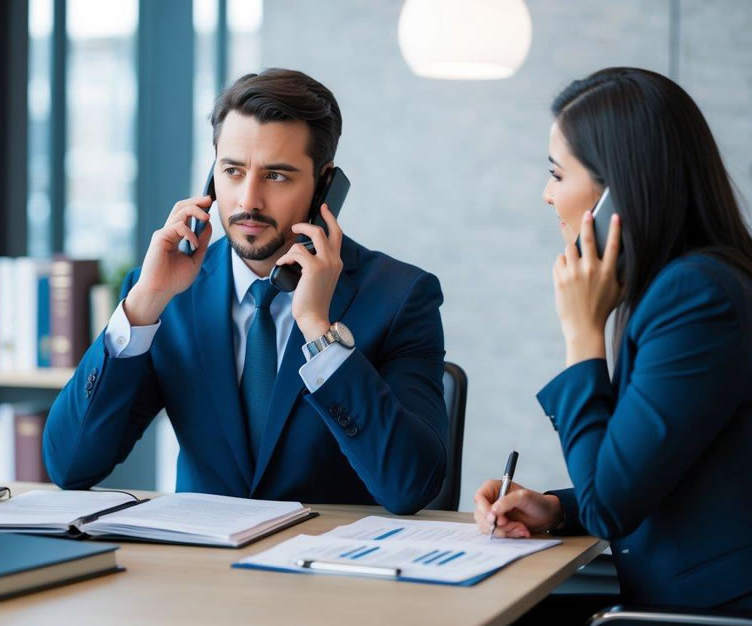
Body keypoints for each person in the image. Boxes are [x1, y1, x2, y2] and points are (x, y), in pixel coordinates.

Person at [43, 69, 449, 511]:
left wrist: (318, 329)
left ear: (324, 186)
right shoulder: (168, 296)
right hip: (204, 570)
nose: (248, 200)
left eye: (276, 176)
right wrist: (144, 303)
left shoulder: (401, 297)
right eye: (233, 171)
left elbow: (410, 487)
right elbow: (70, 466)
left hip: (331, 568)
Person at [474, 67, 752, 611]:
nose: (547, 195)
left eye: (557, 173)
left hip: (705, 612)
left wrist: (582, 334)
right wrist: (554, 508)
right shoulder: (686, 284)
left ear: (615, 191)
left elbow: (612, 508)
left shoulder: (697, 296)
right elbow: (653, 470)